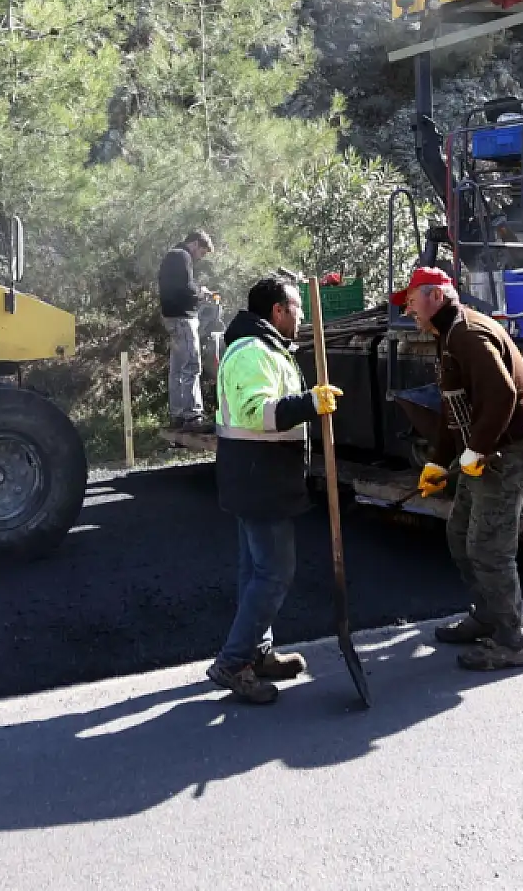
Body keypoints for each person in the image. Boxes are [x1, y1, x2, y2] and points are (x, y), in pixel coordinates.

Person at [396, 266, 523, 672]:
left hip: (510, 453)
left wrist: (477, 449)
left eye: (411, 300)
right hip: (487, 454)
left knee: (489, 549)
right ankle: (487, 614)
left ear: (436, 296)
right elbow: (452, 411)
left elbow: (502, 394)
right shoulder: (447, 336)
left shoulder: (468, 333)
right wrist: (437, 461)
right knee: (460, 532)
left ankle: (511, 642)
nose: (408, 309)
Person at [206, 273, 341, 704]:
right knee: (274, 573)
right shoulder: (251, 352)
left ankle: (256, 654)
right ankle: (232, 662)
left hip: (259, 476)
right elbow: (256, 413)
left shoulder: (269, 349)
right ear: (278, 311)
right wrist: (310, 403)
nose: (300, 316)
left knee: (255, 572)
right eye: (297, 308)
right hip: (257, 477)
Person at [158, 231, 216, 431]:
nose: (200, 257)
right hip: (183, 319)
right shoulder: (182, 256)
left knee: (176, 369)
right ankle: (192, 416)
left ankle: (177, 416)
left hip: (171, 318)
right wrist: (202, 293)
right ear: (194, 244)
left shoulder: (170, 256)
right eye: (202, 252)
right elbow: (186, 288)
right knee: (191, 365)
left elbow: (177, 287)